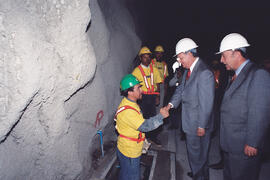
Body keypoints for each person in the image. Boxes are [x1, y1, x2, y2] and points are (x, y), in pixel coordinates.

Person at [217, 33, 270, 180]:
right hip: (230, 145)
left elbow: (260, 112)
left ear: (236, 53)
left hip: (244, 148)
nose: (221, 60)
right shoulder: (235, 75)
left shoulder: (258, 75)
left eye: (224, 56)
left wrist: (253, 142)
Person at [166, 38, 215, 180]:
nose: (180, 61)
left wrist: (202, 125)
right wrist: (170, 105)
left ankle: (198, 175)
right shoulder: (190, 71)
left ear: (189, 54)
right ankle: (199, 173)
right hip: (191, 121)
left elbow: (207, 102)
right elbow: (181, 90)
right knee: (199, 156)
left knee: (197, 155)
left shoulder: (203, 72)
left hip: (198, 124)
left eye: (181, 58)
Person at [115, 74, 169, 180]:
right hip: (130, 151)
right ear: (129, 92)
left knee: (126, 172)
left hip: (127, 147)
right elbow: (145, 126)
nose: (141, 90)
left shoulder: (130, 102)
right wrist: (160, 116)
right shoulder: (128, 111)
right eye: (138, 88)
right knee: (132, 176)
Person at [132, 46, 163, 146]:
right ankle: (142, 138)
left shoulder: (154, 69)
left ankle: (153, 137)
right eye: (145, 57)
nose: (147, 59)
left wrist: (158, 96)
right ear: (140, 58)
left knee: (152, 117)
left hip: (152, 97)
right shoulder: (136, 71)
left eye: (149, 57)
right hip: (142, 98)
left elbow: (158, 84)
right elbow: (133, 88)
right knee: (142, 118)